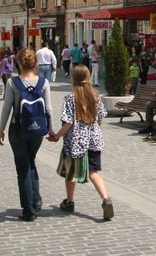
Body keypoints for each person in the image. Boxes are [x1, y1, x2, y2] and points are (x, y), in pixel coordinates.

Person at [48, 65, 114, 221]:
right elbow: (101, 118)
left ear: (73, 79)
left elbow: (68, 123)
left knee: (71, 172)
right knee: (93, 171)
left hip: (75, 141)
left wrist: (57, 136)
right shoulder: (95, 95)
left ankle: (70, 201)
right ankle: (105, 199)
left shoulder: (71, 98)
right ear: (89, 78)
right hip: (93, 140)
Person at [0, 47, 53, 221]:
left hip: (18, 129)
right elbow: (49, 109)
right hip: (38, 130)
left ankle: (29, 211)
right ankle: (35, 201)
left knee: (23, 168)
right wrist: (50, 130)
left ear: (19, 63)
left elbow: (7, 108)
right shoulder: (44, 82)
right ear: (34, 63)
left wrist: (1, 129)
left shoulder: (13, 83)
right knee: (31, 162)